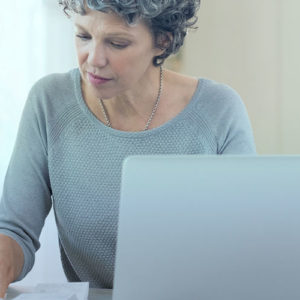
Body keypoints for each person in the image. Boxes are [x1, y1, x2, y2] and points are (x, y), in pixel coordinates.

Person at [0, 0, 256, 297]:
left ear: (162, 41)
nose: (93, 59)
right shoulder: (50, 101)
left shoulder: (218, 109)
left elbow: (246, 245)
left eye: (117, 43)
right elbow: (14, 231)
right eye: (83, 36)